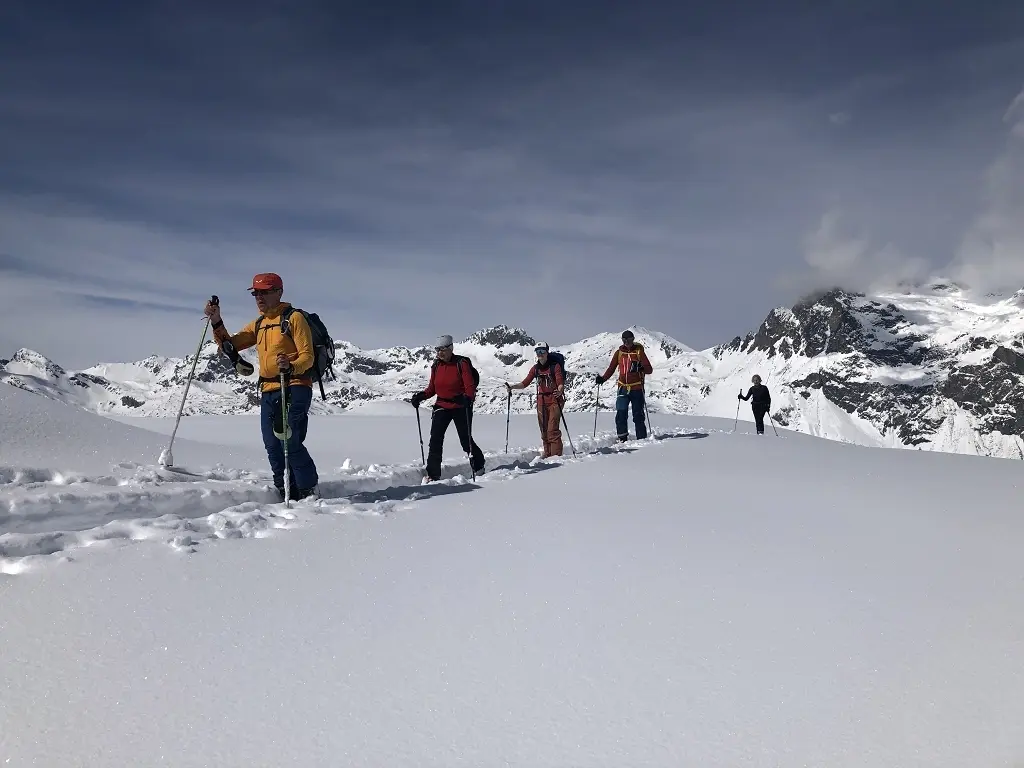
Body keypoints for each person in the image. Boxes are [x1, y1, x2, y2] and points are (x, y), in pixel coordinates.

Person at [205, 273, 320, 501]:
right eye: (256, 293)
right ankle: (285, 489)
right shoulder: (259, 324)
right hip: (268, 389)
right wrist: (216, 320)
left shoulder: (294, 318)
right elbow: (230, 345)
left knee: (288, 438)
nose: (259, 297)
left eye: (265, 292)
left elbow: (308, 356)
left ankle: (307, 490)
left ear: (279, 292)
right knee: (272, 444)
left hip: (294, 385)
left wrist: (291, 365)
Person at [410, 335, 486, 481]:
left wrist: (466, 398)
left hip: (461, 406)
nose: (439, 353)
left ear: (451, 348)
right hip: (442, 405)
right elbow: (432, 389)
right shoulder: (436, 366)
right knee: (435, 439)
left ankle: (479, 465)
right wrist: (420, 396)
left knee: (465, 440)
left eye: (442, 350)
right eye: (437, 350)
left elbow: (470, 387)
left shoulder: (461, 363)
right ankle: (433, 474)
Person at [506, 342, 565, 457]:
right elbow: (525, 383)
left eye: (542, 351)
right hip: (541, 401)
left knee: (552, 430)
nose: (540, 354)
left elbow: (560, 382)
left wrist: (560, 390)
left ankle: (556, 458)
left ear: (547, 352)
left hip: (555, 400)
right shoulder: (535, 369)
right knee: (544, 431)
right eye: (538, 352)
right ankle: (548, 455)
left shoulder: (555, 366)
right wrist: (512, 387)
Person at [596, 329, 654, 442]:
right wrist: (603, 379)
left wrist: (640, 368)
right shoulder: (619, 353)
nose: (626, 342)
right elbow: (611, 368)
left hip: (637, 388)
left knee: (638, 415)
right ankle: (622, 438)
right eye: (624, 339)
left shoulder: (639, 352)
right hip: (623, 387)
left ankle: (641, 439)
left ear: (633, 339)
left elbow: (649, 369)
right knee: (621, 413)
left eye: (629, 339)